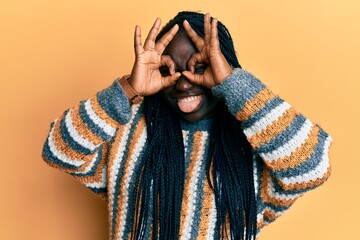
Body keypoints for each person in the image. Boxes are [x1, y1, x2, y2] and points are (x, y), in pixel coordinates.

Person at [42, 11, 332, 240]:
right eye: (169, 70)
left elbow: (312, 167)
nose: (182, 82)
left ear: (222, 68)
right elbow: (59, 149)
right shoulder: (128, 132)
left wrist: (233, 84)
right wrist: (129, 88)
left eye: (200, 68)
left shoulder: (255, 146)